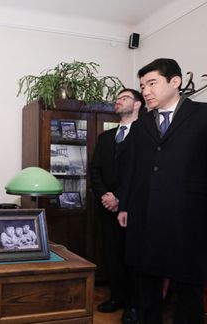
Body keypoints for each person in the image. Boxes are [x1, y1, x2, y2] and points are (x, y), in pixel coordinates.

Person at [117, 58, 207, 324]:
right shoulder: (141, 124)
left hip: (189, 216)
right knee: (147, 283)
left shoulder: (203, 115)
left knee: (189, 285)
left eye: (152, 83)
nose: (145, 91)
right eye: (143, 85)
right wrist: (124, 205)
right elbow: (130, 168)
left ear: (175, 82)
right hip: (146, 215)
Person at [90, 88, 145, 324]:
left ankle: (134, 305)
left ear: (137, 105)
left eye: (124, 98)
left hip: (134, 207)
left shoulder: (145, 134)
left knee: (132, 257)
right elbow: (94, 171)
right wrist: (105, 196)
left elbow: (140, 173)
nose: (118, 101)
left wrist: (120, 198)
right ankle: (117, 297)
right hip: (106, 207)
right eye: (117, 98)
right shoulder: (105, 137)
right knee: (111, 255)